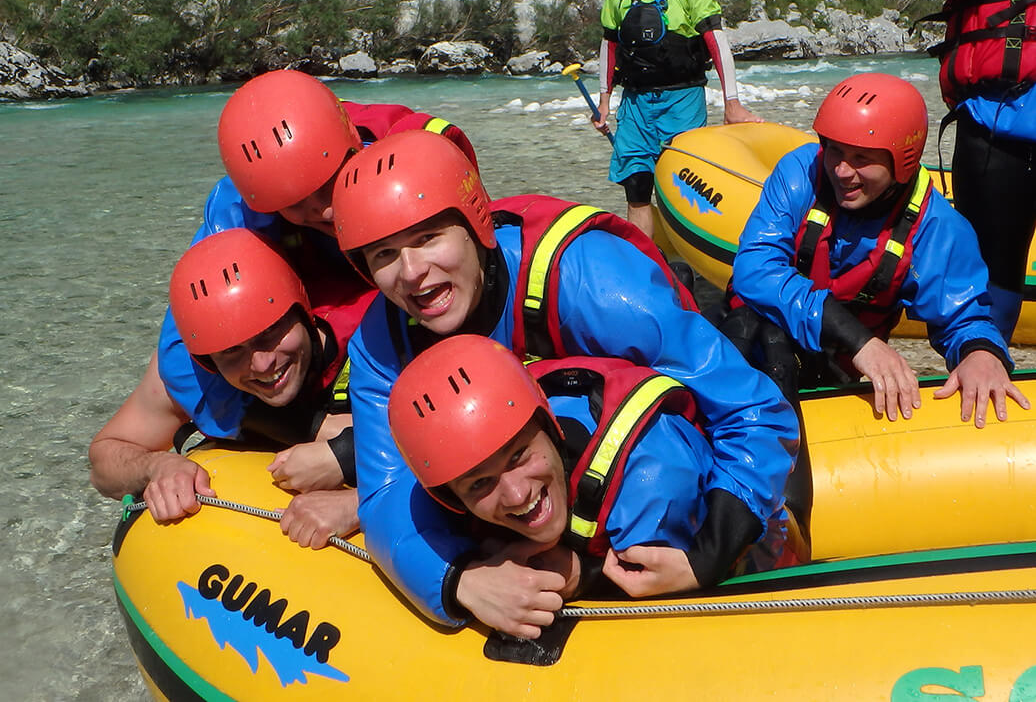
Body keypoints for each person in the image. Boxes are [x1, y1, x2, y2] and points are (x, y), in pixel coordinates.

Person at [333, 129, 798, 636]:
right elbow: (384, 491)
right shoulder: (382, 342)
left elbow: (752, 411)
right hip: (560, 491)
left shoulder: (590, 280)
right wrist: (460, 581)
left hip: (671, 479)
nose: (413, 274)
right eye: (383, 256)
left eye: (428, 238)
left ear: (477, 225)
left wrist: (708, 554)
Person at [387, 334, 801, 639]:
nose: (516, 495)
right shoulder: (500, 415)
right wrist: (465, 578)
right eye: (479, 484)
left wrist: (577, 576)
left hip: (756, 555)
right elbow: (391, 513)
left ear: (547, 425)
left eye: (518, 457)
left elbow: (660, 617)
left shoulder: (651, 484)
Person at [155, 68, 476, 444]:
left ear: (354, 147)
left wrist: (331, 331)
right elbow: (182, 347)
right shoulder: (243, 204)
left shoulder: (423, 156)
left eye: (330, 183)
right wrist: (307, 427)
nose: (325, 211)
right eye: (294, 205)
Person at [727, 73, 1028, 428]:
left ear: (903, 159)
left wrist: (981, 350)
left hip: (831, 369)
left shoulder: (938, 228)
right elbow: (755, 270)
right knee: (760, 330)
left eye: (861, 158)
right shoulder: (799, 173)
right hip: (754, 341)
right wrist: (859, 341)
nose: (841, 170)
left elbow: (963, 317)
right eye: (835, 149)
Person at [90, 229, 370, 548]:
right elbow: (104, 461)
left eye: (270, 333)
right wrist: (158, 465)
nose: (263, 364)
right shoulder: (193, 377)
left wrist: (361, 500)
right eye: (232, 351)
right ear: (208, 358)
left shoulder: (378, 340)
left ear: (303, 311)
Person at [909, 0, 1036, 342]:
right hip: (995, 123)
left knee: (996, 266)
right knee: (991, 267)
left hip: (1001, 124)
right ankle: (983, 355)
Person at [592, 0, 763, 238]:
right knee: (637, 186)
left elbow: (718, 44)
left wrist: (732, 103)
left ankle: (687, 258)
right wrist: (604, 102)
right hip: (636, 105)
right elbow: (609, 46)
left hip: (682, 103)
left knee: (682, 188)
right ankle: (647, 264)